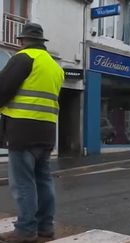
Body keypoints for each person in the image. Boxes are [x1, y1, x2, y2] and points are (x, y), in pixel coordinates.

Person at [0, 23, 64, 242]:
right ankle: (46, 227)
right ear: (41, 41)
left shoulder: (23, 58)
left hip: (22, 130)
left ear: (22, 40)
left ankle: (26, 230)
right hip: (46, 131)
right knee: (43, 180)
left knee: (23, 182)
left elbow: (3, 88)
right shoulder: (55, 66)